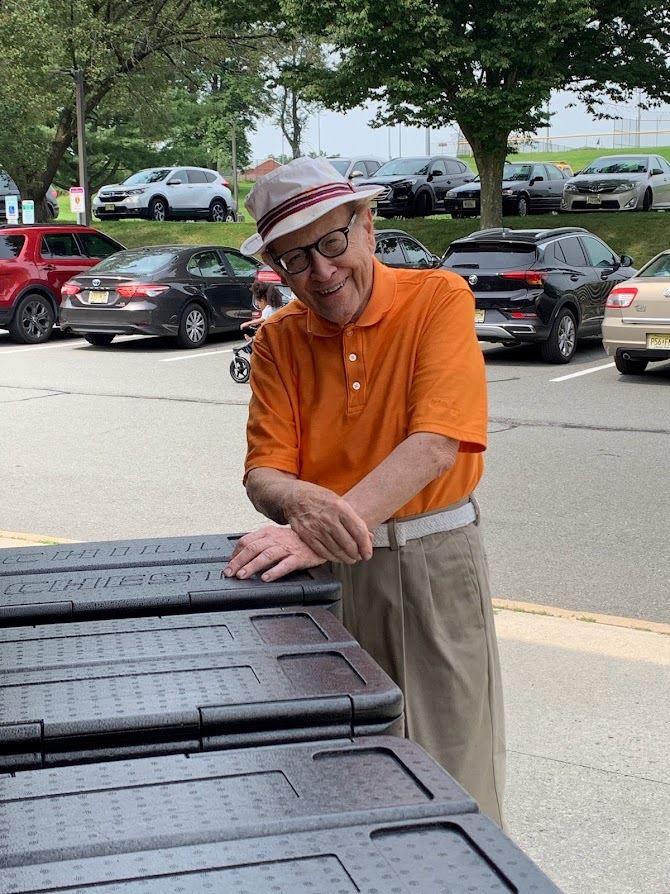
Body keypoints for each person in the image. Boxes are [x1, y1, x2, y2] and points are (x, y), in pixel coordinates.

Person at [223, 157, 505, 825]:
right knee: (340, 771)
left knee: (451, 767)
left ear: (367, 227)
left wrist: (318, 523)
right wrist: (299, 507)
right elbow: (264, 470)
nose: (320, 272)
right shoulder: (280, 341)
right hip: (321, 577)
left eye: (330, 243)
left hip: (433, 565)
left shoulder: (438, 299)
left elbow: (436, 443)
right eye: (294, 259)